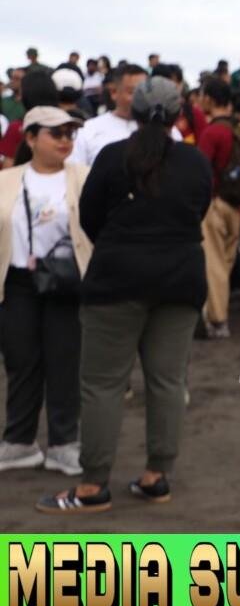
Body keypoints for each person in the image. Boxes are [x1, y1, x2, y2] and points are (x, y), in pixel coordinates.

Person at [37, 77, 211, 513]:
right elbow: (198, 211)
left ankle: (94, 485)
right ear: (178, 114)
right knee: (168, 381)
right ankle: (157, 475)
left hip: (116, 278)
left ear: (134, 111)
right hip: (180, 278)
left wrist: (121, 244)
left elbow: (90, 217)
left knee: (101, 384)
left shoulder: (114, 157)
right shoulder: (194, 162)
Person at [0, 108, 91, 476]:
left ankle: (64, 444)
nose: (65, 140)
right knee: (21, 363)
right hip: (17, 281)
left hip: (66, 281)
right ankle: (19, 442)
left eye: (70, 132)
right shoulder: (7, 179)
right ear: (31, 137)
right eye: (56, 133)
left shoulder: (85, 177)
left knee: (64, 364)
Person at [197, 82, 240, 338]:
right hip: (236, 205)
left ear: (211, 99)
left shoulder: (212, 131)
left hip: (214, 203)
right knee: (224, 262)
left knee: (213, 263)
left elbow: (202, 171)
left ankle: (217, 319)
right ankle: (217, 312)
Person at [70, 64, 181, 165]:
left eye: (144, 92)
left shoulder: (169, 131)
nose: (140, 99)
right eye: (132, 92)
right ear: (114, 92)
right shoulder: (89, 130)